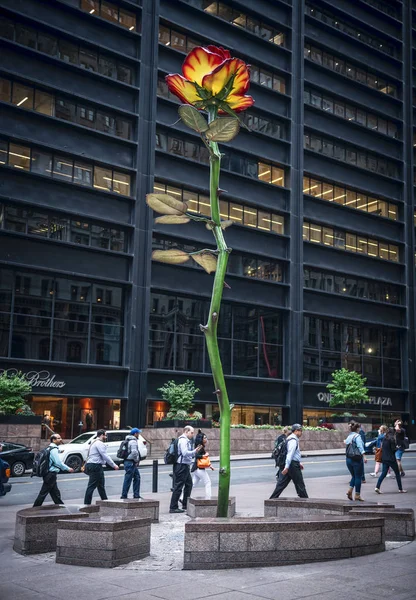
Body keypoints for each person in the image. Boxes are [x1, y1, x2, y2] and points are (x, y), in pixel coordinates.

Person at [33, 434, 74, 507]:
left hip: (49, 474)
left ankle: (61, 506)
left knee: (55, 493)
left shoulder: (49, 448)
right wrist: (68, 468)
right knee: (43, 493)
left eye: (60, 437)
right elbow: (58, 462)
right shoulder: (54, 450)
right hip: (51, 474)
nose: (60, 439)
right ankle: (35, 508)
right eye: (58, 438)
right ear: (53, 440)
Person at [269, 424, 308, 499]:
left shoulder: (289, 438)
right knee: (300, 485)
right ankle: (307, 502)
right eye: (300, 431)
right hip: (292, 465)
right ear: (296, 431)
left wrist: (298, 463)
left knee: (281, 484)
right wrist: (287, 467)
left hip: (289, 464)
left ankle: (272, 499)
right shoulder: (293, 440)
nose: (301, 433)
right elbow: (290, 454)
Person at [169, 426, 202, 514]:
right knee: (179, 486)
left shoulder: (185, 440)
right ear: (186, 431)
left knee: (189, 484)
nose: (192, 434)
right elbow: (185, 453)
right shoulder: (183, 440)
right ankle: (173, 507)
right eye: (191, 432)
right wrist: (194, 451)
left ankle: (185, 504)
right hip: (181, 466)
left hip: (184, 466)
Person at [83, 429, 119, 505]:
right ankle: (86, 503)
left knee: (101, 485)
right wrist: (113, 465)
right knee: (91, 486)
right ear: (102, 435)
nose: (106, 437)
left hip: (93, 465)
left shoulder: (93, 442)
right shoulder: (99, 443)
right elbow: (105, 455)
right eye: (105, 435)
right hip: (95, 466)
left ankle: (105, 501)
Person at [375, 427, 407, 495]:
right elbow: (393, 450)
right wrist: (397, 448)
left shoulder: (384, 438)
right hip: (391, 459)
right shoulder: (391, 439)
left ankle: (377, 487)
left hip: (384, 458)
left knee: (383, 473)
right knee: (397, 473)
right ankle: (400, 489)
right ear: (393, 432)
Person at [345, 421, 367, 502]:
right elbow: (360, 447)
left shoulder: (348, 437)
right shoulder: (357, 436)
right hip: (356, 459)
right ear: (358, 429)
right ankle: (357, 495)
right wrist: (364, 456)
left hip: (348, 459)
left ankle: (350, 491)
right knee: (358, 477)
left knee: (353, 476)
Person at [191, 430, 214, 500]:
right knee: (208, 482)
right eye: (204, 438)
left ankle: (182, 497)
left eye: (206, 437)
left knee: (192, 484)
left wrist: (210, 465)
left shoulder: (200, 446)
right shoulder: (200, 446)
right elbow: (197, 455)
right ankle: (208, 498)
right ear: (201, 439)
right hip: (199, 468)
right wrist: (204, 455)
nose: (206, 439)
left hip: (196, 468)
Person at [121, 428, 142, 500]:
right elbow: (134, 452)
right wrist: (136, 460)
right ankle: (124, 495)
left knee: (136, 477)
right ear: (135, 434)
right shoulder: (133, 441)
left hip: (128, 462)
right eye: (138, 433)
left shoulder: (128, 440)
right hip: (131, 462)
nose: (139, 434)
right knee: (128, 479)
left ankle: (136, 494)